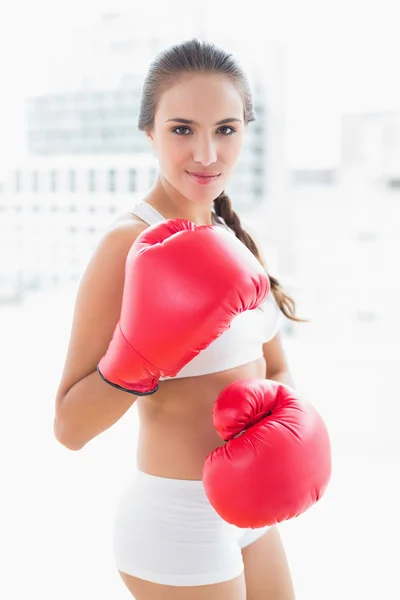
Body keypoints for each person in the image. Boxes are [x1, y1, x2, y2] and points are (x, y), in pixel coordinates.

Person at [54, 38, 331, 600]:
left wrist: (287, 432)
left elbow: (274, 365)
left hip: (248, 511)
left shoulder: (233, 238)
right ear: (149, 133)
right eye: (182, 129)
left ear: (245, 132)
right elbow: (69, 428)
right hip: (174, 521)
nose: (206, 154)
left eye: (225, 129)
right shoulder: (126, 245)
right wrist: (139, 361)